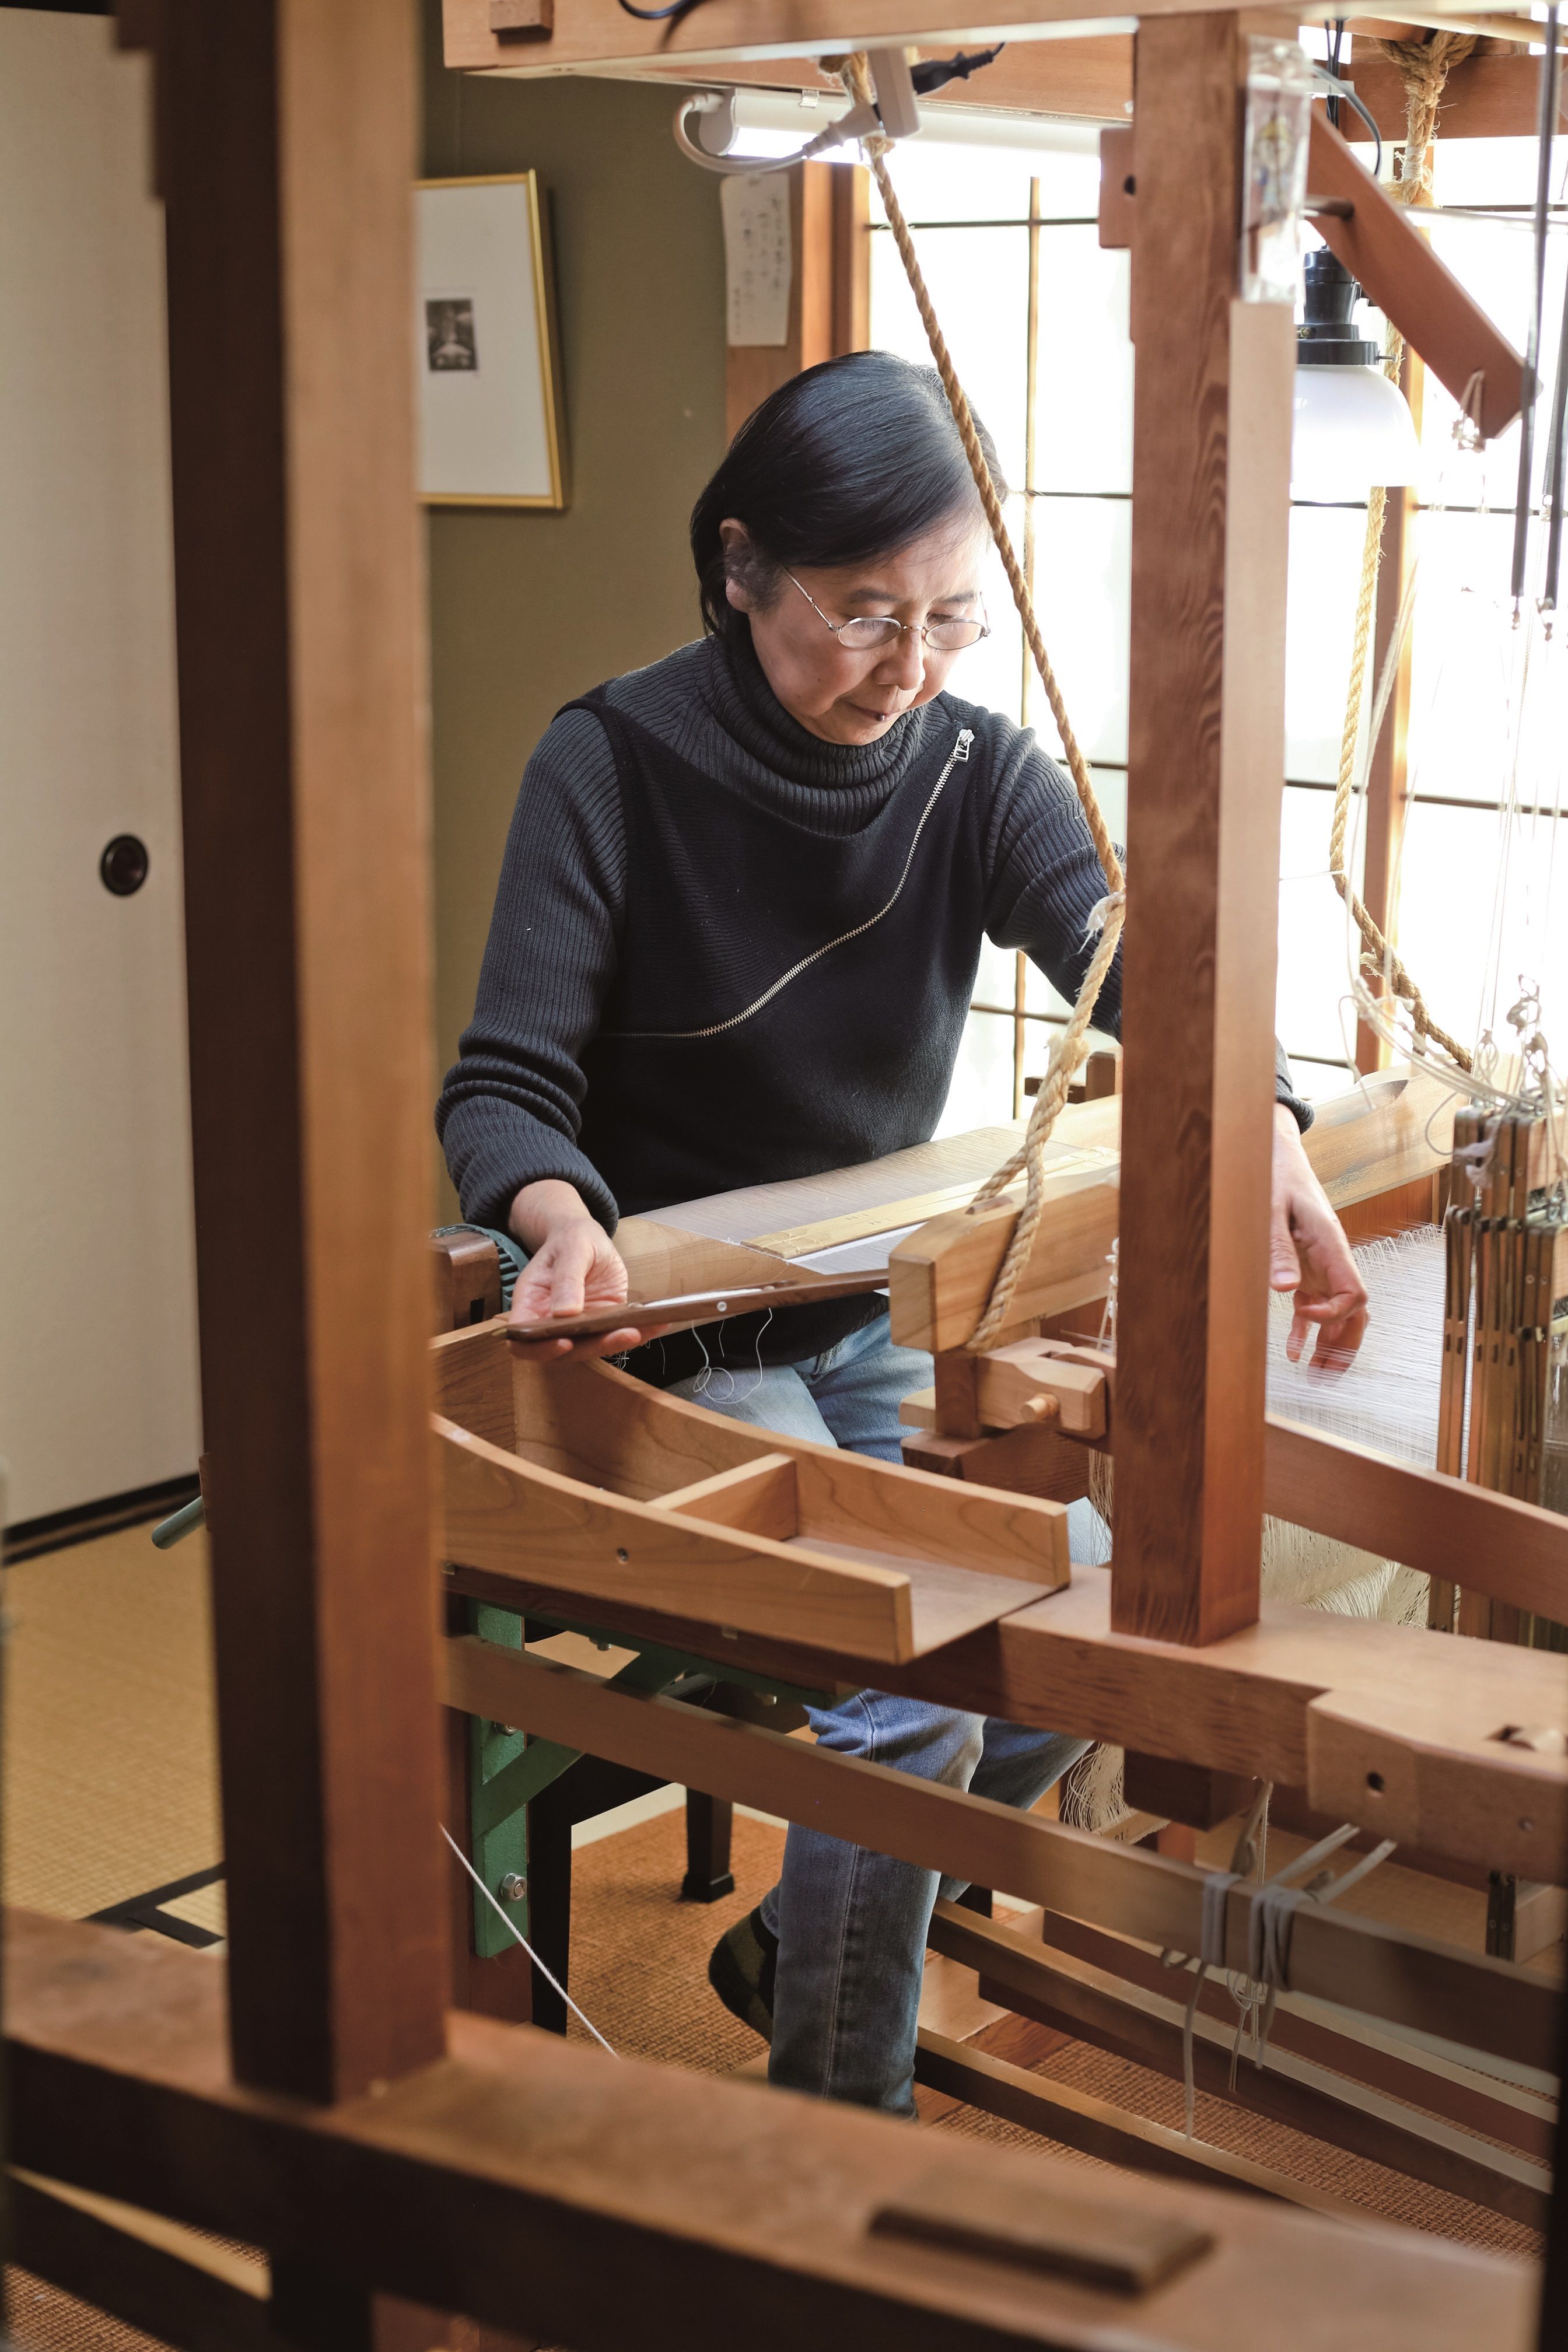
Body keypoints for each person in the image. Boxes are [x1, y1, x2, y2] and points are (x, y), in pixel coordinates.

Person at [436, 350, 1367, 2118]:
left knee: (1093, 1630)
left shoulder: (971, 771)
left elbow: (1141, 969)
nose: (912, 668)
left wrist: (1255, 1113)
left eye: (950, 619)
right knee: (904, 1699)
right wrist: (559, 1217)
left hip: (863, 1307)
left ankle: (801, 1956)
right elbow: (502, 1084)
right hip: (663, 1334)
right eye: (864, 615)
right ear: (736, 569)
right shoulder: (609, 763)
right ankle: (840, 2169)